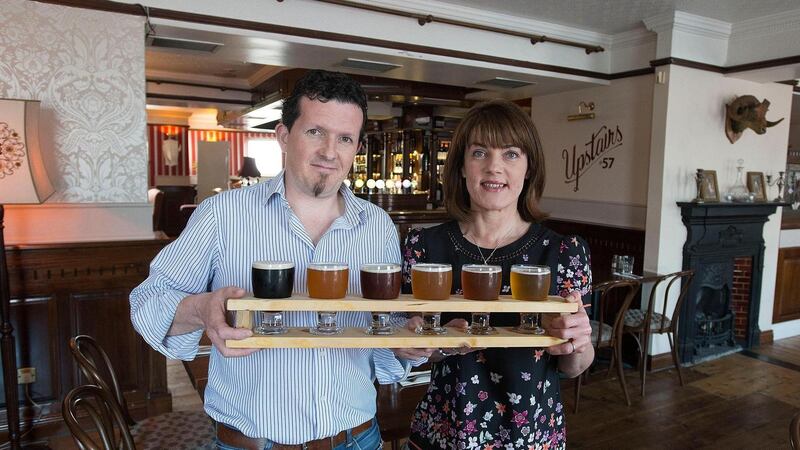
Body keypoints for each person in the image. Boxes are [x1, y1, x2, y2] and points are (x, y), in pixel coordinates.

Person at [130, 70, 430, 450]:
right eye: (315, 132)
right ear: (283, 135)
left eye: (345, 138)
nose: (329, 152)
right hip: (251, 443)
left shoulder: (379, 227)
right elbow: (146, 304)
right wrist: (202, 309)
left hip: (357, 439)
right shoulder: (222, 215)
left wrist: (403, 343)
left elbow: (383, 336)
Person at [401, 100, 594, 450]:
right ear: (461, 167)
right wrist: (428, 344)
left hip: (531, 435)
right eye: (479, 153)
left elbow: (574, 366)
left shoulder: (563, 252)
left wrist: (578, 340)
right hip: (444, 433)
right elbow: (417, 351)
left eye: (510, 154)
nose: (494, 167)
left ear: (529, 168)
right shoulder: (424, 247)